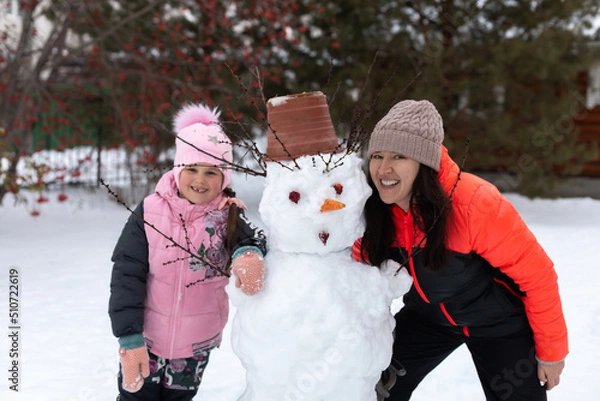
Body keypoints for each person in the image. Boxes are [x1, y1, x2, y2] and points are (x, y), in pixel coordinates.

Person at [352, 99, 568, 401]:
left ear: (424, 163)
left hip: (498, 324)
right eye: (377, 156)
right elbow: (344, 254)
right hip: (427, 319)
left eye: (399, 156)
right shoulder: (376, 208)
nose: (384, 169)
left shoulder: (474, 204)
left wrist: (552, 353)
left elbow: (538, 277)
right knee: (369, 384)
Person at [108, 103, 267, 401]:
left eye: (211, 172)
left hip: (196, 344)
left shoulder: (227, 215)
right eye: (192, 169)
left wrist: (248, 254)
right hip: (146, 341)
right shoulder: (150, 211)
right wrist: (129, 337)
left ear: (224, 178)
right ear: (178, 168)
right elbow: (126, 273)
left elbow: (253, 240)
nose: (200, 180)